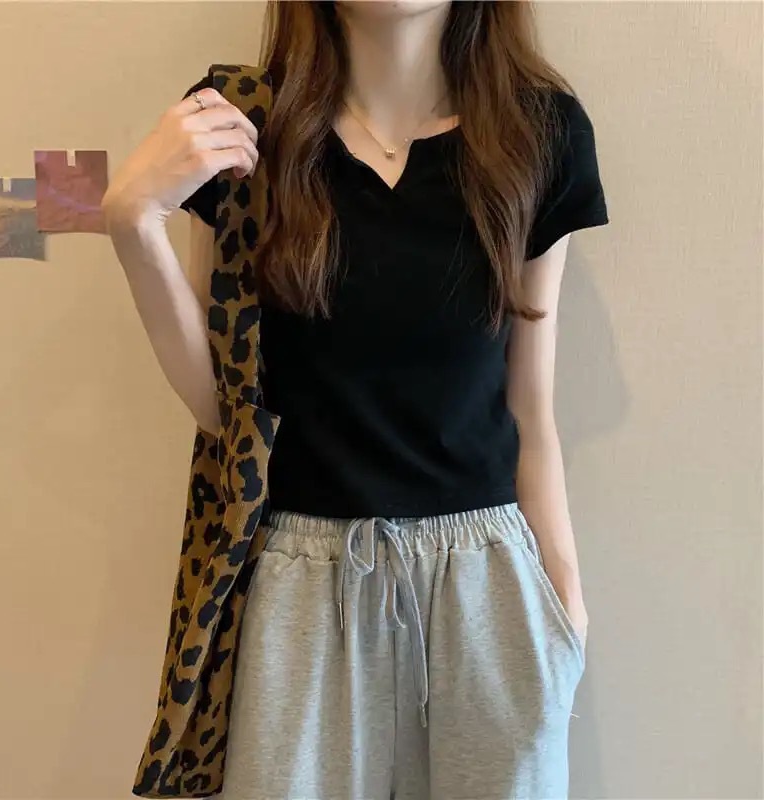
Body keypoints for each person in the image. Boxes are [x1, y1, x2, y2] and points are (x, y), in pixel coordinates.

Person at [103, 1, 609, 797]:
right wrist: (133, 222)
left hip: (487, 587)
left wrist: (563, 611)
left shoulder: (538, 132)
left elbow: (530, 407)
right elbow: (227, 414)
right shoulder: (241, 125)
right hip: (300, 589)